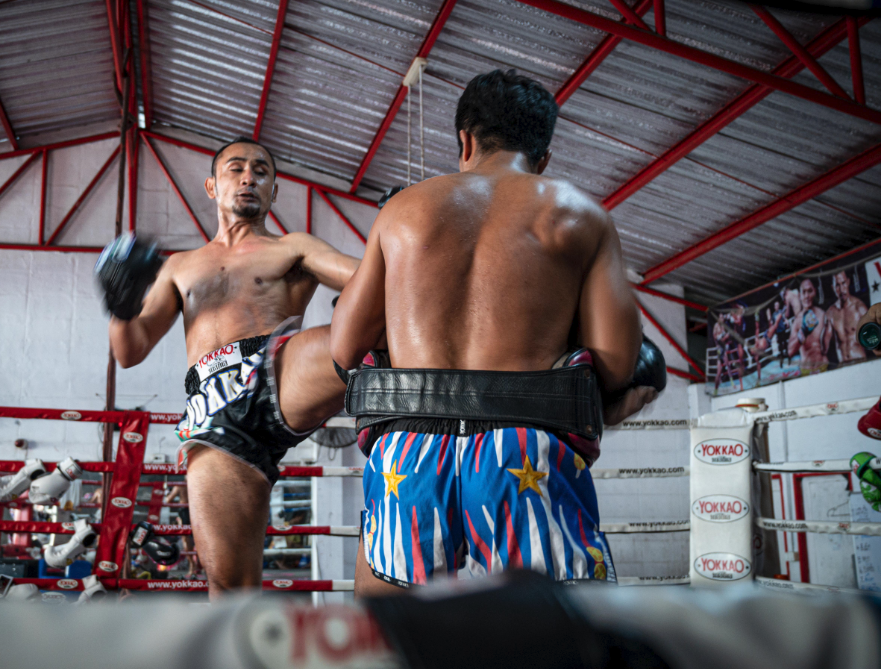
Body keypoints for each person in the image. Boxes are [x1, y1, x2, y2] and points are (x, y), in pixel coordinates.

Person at [331, 70, 659, 596]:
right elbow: (620, 364)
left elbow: (344, 351)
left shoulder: (401, 212)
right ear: (543, 156)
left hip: (407, 451)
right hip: (524, 452)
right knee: (544, 645)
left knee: (395, 640)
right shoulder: (579, 214)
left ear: (465, 140)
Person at [101, 137, 360, 599]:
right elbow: (130, 351)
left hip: (273, 369)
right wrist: (120, 305)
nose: (248, 177)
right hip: (212, 409)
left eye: (261, 171)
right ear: (211, 186)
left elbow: (361, 277)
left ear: (273, 190)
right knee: (230, 591)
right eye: (236, 169)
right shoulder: (180, 266)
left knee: (366, 330)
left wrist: (394, 243)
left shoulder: (292, 248)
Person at [788, 278, 833, 374]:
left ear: (815, 292)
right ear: (799, 296)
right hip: (806, 369)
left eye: (810, 291)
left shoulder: (822, 315)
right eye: (804, 292)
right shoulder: (797, 321)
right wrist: (803, 331)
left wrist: (828, 334)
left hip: (823, 366)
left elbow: (826, 349)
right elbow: (790, 351)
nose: (807, 296)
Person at [828, 270, 868, 362]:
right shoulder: (830, 313)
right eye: (837, 285)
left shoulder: (859, 308)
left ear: (848, 282)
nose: (842, 289)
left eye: (843, 283)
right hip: (843, 366)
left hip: (860, 362)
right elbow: (824, 347)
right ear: (832, 287)